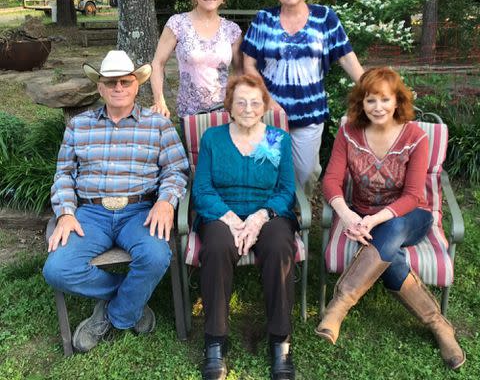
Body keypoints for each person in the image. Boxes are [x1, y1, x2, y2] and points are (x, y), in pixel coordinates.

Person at [315, 67, 465, 370]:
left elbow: (412, 195)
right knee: (391, 254)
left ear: (397, 101)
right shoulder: (349, 132)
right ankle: (438, 324)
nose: (378, 107)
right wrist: (346, 215)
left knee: (392, 227)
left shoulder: (416, 137)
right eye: (371, 100)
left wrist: (370, 222)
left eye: (384, 100)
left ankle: (340, 304)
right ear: (362, 102)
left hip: (411, 217)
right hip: (363, 215)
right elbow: (331, 180)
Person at [43, 50, 189, 353]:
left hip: (139, 211)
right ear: (100, 88)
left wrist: (165, 202)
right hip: (91, 213)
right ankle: (129, 300)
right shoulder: (79, 126)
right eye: (111, 83)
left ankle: (114, 316)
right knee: (57, 269)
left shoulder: (157, 125)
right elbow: (64, 173)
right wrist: (66, 213)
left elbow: (177, 169)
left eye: (125, 81)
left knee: (156, 255)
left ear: (137, 84)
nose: (118, 88)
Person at [192, 74, 297, 380]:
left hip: (267, 215)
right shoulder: (213, 138)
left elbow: (286, 190)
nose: (248, 108)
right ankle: (215, 342)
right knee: (216, 246)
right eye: (241, 102)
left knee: (279, 247)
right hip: (221, 215)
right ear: (230, 106)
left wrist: (261, 216)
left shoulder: (276, 139)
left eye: (255, 102)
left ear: (264, 105)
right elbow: (202, 189)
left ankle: (280, 342)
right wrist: (229, 218)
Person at [241, 0, 364, 193]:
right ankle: (271, 215)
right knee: (266, 166)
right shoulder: (264, 19)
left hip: (310, 111)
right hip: (270, 115)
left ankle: (299, 212)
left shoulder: (325, 17)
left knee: (306, 171)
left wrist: (372, 87)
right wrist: (268, 102)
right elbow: (248, 65)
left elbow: (347, 57)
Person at [151, 0, 242, 119]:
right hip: (190, 114)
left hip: (225, 113)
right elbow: (157, 63)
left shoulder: (232, 30)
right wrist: (159, 101)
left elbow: (240, 70)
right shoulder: (177, 24)